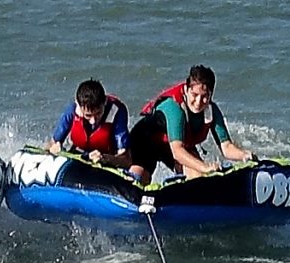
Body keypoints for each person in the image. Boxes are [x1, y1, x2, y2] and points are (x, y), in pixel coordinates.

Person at [128, 65, 256, 183]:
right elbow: (177, 152)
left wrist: (245, 156)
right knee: (138, 180)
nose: (199, 102)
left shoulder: (211, 111)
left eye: (205, 96)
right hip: (146, 142)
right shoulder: (175, 108)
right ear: (186, 90)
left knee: (199, 178)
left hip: (174, 146)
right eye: (194, 95)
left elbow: (227, 147)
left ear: (211, 95)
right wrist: (205, 167)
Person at [48, 79, 131, 169]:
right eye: (88, 115)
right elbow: (51, 144)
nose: (93, 121)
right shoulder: (72, 110)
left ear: (105, 102)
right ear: (78, 106)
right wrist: (54, 148)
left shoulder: (117, 112)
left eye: (98, 113)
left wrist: (105, 159)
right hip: (78, 156)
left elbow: (126, 160)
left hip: (106, 161)